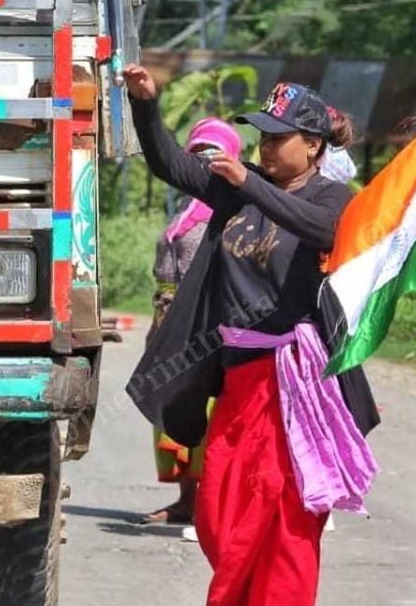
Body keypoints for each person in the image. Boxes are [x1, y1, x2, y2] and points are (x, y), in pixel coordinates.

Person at [122, 65, 380, 606]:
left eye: (278, 138)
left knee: (284, 517)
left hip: (296, 385)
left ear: (312, 146)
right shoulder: (238, 190)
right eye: (261, 136)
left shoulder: (335, 196)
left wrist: (250, 185)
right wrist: (146, 104)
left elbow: (326, 233)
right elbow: (169, 162)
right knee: (219, 513)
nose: (264, 147)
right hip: (239, 381)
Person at [141, 117, 242, 531]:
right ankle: (186, 499)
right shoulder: (185, 211)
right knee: (169, 406)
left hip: (201, 325)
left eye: (212, 154)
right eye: (195, 154)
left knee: (203, 412)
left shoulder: (231, 210)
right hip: (167, 318)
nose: (202, 163)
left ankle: (212, 505)